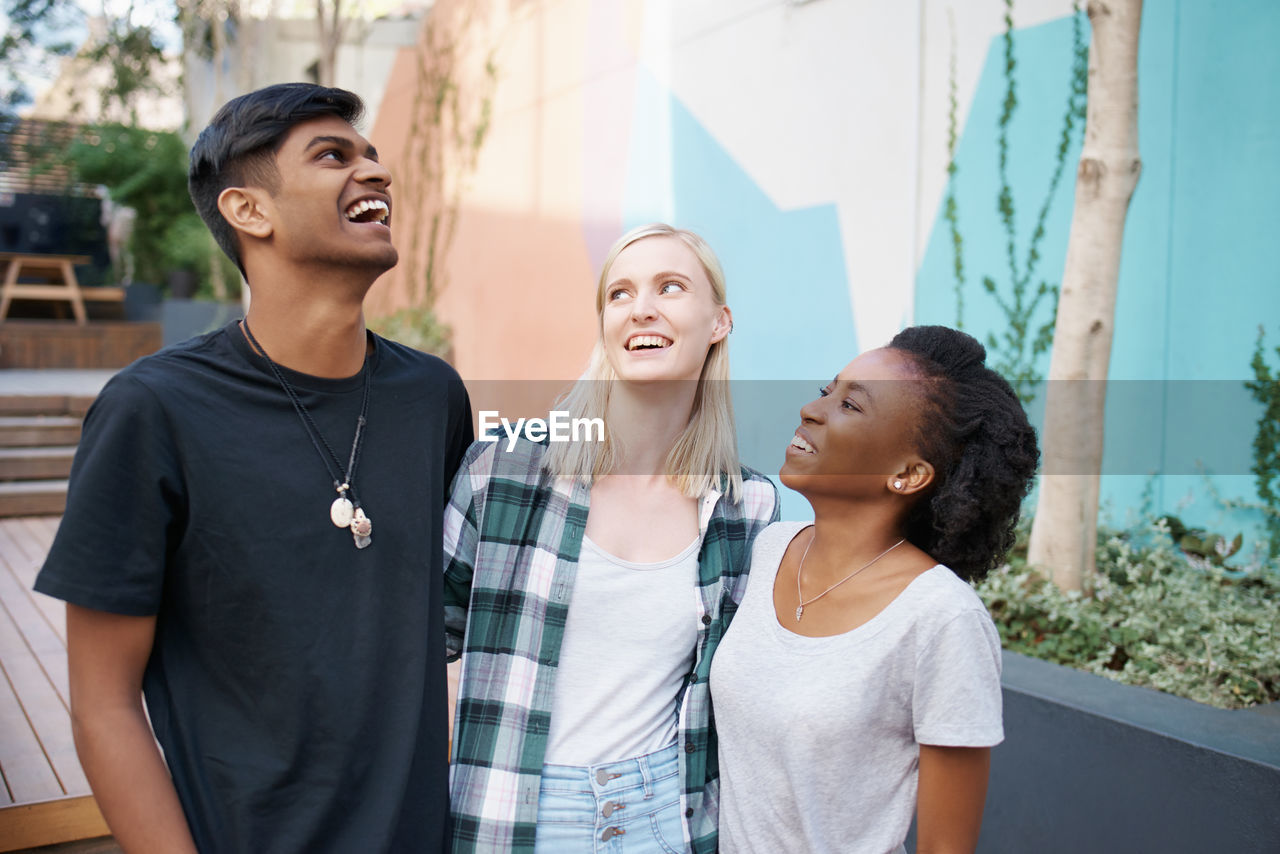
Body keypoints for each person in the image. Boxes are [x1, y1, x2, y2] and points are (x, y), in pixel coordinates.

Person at [34, 83, 472, 853]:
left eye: (370, 155)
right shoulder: (152, 410)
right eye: (333, 156)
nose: (376, 173)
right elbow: (102, 704)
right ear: (249, 211)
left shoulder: (432, 396)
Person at [442, 223, 779, 854]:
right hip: (512, 816)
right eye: (619, 293)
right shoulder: (506, 469)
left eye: (670, 287)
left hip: (663, 820)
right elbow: (423, 645)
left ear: (718, 322)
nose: (641, 307)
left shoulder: (747, 504)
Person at [711, 326, 1039, 854]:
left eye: (852, 406)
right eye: (827, 391)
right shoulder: (768, 548)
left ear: (908, 474)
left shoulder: (942, 618)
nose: (811, 410)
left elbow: (945, 849)